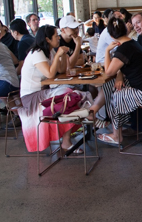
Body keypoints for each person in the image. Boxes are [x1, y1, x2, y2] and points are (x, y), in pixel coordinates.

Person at [17, 25, 95, 153]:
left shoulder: (50, 51)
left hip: (42, 92)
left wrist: (62, 55)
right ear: (47, 39)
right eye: (55, 36)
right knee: (67, 94)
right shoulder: (37, 52)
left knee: (70, 93)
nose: (58, 38)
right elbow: (49, 74)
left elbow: (61, 70)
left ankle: (71, 133)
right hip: (31, 97)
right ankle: (70, 136)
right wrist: (59, 53)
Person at [94, 17, 142, 146]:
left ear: (110, 35)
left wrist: (107, 50)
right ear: (126, 29)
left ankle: (116, 135)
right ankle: (113, 124)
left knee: (114, 97)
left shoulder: (123, 49)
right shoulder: (132, 43)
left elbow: (109, 72)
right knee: (114, 88)